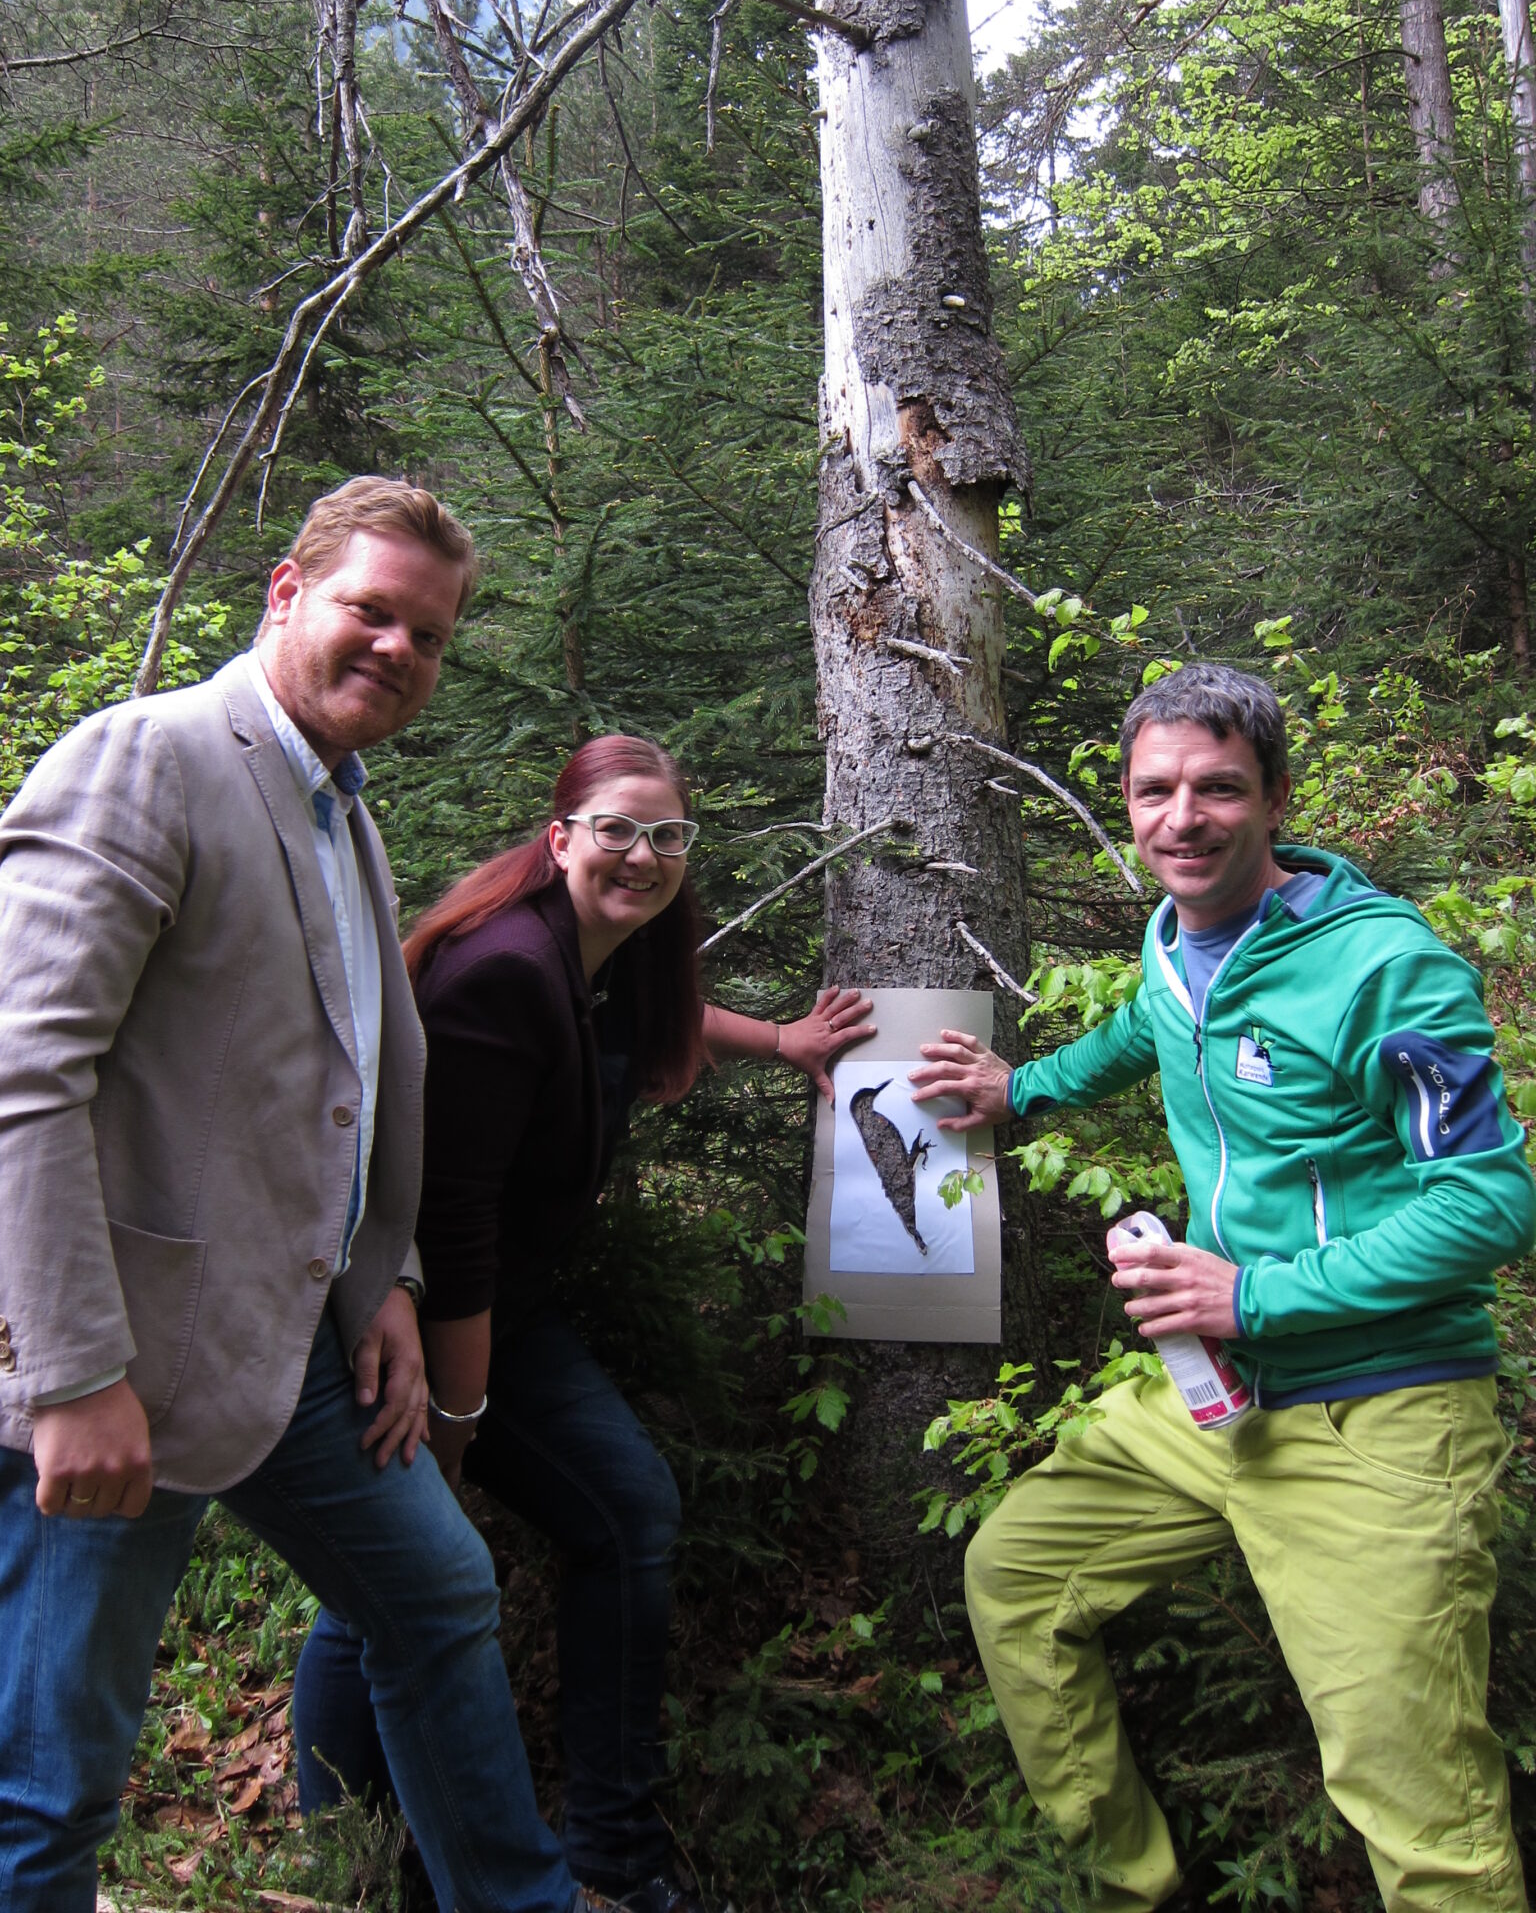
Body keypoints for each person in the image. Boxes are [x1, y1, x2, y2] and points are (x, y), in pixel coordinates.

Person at [0, 477, 613, 1913]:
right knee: (50, 1777)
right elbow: (24, 1079)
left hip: (293, 1353)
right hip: (122, 1364)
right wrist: (72, 1376)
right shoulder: (148, 760)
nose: (400, 650)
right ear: (287, 593)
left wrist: (381, 1281)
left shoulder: (340, 808)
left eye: (431, 635)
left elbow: (315, 1091)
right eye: (372, 611)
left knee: (439, 1595)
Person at [908, 661, 1536, 1913]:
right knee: (1019, 1573)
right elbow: (1156, 1022)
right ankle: (1138, 1883)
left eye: (1217, 789)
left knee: (1420, 1811)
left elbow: (1490, 1202)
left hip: (1378, 1413)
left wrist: (1248, 1297)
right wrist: (1021, 1089)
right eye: (1155, 791)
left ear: (1276, 798)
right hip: (1215, 1404)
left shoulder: (1384, 970)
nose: (1181, 818)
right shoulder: (1179, 937)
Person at [292, 733, 875, 1913]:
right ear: (560, 837)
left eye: (668, 834)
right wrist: (456, 1412)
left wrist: (783, 1041)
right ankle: (357, 1846)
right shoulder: (505, 966)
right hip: (408, 1313)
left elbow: (664, 1011)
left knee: (600, 1516)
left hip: (505, 1300)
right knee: (396, 1568)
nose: (644, 854)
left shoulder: (604, 949)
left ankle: (608, 1855)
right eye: (616, 828)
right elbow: (448, 1220)